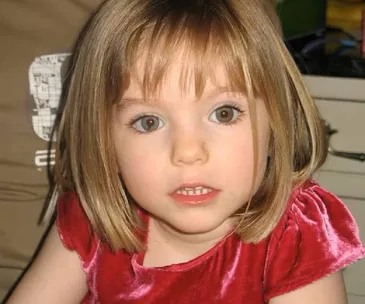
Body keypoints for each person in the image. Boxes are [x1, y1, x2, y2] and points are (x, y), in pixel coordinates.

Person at [6, 0, 365, 303]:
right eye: (148, 122)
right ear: (104, 143)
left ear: (277, 123)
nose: (188, 152)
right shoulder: (91, 220)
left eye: (224, 113)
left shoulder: (299, 236)